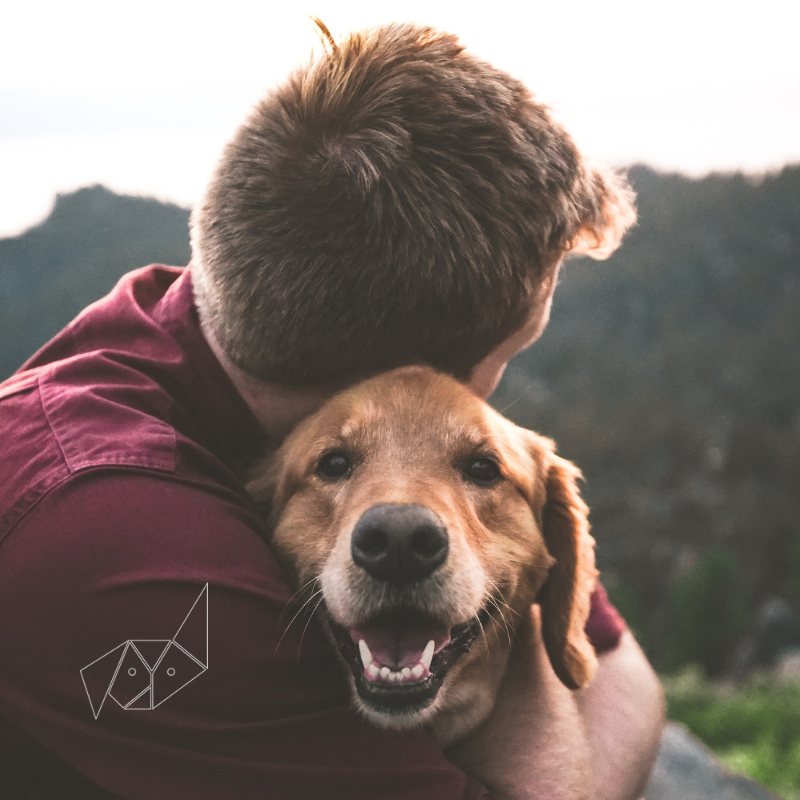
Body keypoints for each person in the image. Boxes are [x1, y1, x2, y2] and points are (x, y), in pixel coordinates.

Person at [0, 21, 663, 800]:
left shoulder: (213, 321)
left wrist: (511, 605)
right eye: (508, 355)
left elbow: (623, 673)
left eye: (474, 457)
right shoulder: (118, 534)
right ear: (406, 374)